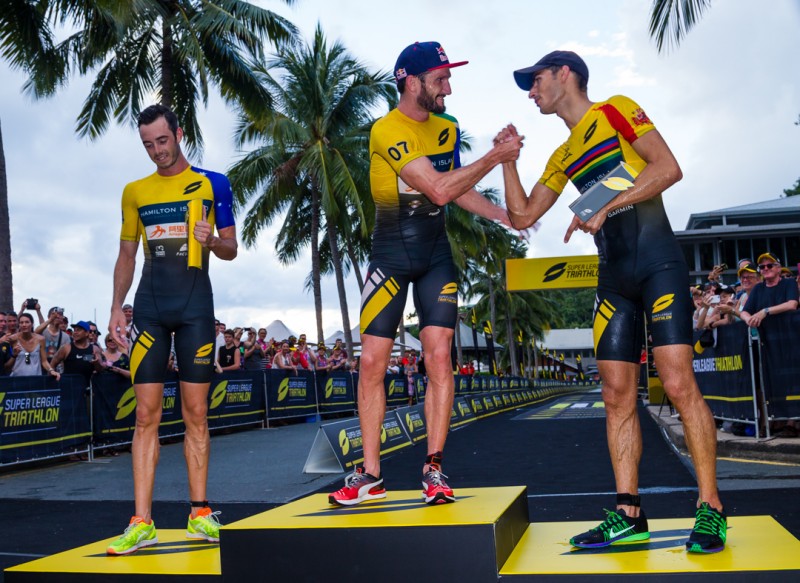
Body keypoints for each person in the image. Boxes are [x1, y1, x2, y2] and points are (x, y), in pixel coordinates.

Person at [501, 50, 725, 553]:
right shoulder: (562, 154)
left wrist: (606, 202)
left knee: (676, 382)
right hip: (614, 278)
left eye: (534, 81)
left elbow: (668, 168)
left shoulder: (617, 109)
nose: (530, 92)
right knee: (617, 395)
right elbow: (521, 217)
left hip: (658, 263)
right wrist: (507, 163)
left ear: (565, 75)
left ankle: (710, 508)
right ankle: (628, 512)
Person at [329, 41, 522, 507]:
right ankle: (371, 475)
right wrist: (495, 158)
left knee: (439, 358)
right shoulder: (385, 130)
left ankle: (434, 467)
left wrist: (503, 215)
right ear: (410, 82)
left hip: (436, 255)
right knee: (372, 364)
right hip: (390, 256)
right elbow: (436, 189)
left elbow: (456, 187)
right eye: (440, 79)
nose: (448, 88)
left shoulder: (448, 127)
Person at [106, 104, 238, 555]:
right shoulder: (134, 191)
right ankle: (141, 521)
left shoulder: (211, 183)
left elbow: (231, 248)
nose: (156, 151)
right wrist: (114, 309)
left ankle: (199, 513)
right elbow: (127, 255)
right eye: (147, 145)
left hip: (195, 307)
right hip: (149, 308)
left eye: (162, 141)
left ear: (178, 134)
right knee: (146, 415)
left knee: (195, 413)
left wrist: (212, 241)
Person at [740, 252, 799, 328]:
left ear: (778, 268)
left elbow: (792, 304)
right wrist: (749, 319)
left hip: (789, 335)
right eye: (762, 267)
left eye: (769, 266)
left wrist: (765, 311)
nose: (766, 268)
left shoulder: (789, 282)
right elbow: (744, 312)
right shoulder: (758, 288)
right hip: (767, 337)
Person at [5, 313, 60, 379]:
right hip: (17, 379)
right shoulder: (13, 339)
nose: (24, 325)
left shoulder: (40, 339)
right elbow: (6, 365)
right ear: (19, 325)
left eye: (27, 322)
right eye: (21, 323)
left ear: (32, 324)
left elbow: (44, 361)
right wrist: (14, 355)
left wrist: (51, 370)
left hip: (35, 378)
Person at [50, 320, 103, 387]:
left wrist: (96, 363)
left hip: (87, 389)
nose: (75, 332)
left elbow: (100, 370)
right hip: (69, 388)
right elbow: (52, 364)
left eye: (78, 330)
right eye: (74, 330)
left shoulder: (95, 349)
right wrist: (52, 377)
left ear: (86, 333)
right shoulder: (66, 348)